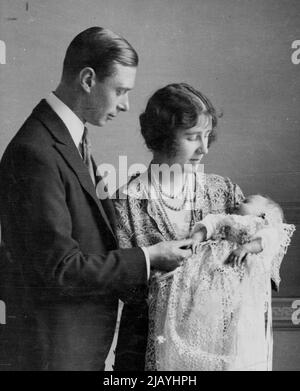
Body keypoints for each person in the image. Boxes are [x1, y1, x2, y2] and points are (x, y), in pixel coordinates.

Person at [0, 28, 192, 371]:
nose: (126, 104)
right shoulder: (36, 151)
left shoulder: (68, 139)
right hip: (54, 356)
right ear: (88, 78)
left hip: (76, 350)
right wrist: (149, 258)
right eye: (120, 90)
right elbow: (61, 269)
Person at [113, 82, 245, 370]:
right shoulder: (126, 203)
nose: (204, 149)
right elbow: (125, 290)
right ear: (161, 137)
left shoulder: (224, 192)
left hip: (216, 352)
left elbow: (260, 263)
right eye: (192, 137)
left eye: (207, 136)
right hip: (145, 356)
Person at [152, 195, 295, 370]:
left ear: (264, 214)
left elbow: (265, 240)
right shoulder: (226, 218)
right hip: (210, 268)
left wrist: (246, 248)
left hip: (236, 271)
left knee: (236, 317)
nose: (238, 202)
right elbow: (209, 224)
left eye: (247, 202)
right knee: (204, 307)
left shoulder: (262, 225)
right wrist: (197, 238)